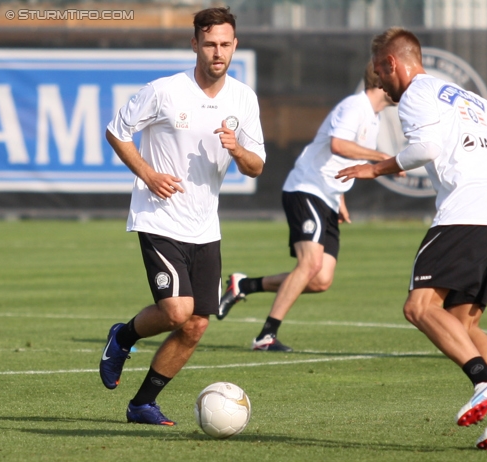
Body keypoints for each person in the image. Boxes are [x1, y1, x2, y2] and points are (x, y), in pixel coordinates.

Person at [336, 27, 487, 450]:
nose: (379, 83)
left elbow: (425, 148)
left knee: (419, 306)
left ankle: (485, 383)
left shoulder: (415, 93)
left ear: (392, 63)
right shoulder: (465, 96)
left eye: (379, 72)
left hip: (466, 212)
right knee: (464, 324)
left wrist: (375, 168)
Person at [99, 7, 266, 425]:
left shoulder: (243, 98)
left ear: (235, 46)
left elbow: (256, 165)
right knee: (176, 311)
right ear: (195, 44)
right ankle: (121, 337)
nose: (218, 52)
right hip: (159, 218)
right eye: (210, 44)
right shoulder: (165, 91)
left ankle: (141, 405)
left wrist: (238, 149)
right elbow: (117, 131)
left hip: (205, 226)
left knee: (194, 326)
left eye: (225, 44)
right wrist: (149, 175)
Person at [216, 62, 395, 352]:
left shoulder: (373, 118)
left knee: (321, 279)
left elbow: (341, 160)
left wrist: (341, 198)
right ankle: (266, 336)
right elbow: (337, 144)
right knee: (309, 264)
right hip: (306, 189)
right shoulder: (355, 106)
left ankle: (243, 285)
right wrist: (382, 157)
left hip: (328, 196)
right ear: (383, 81)